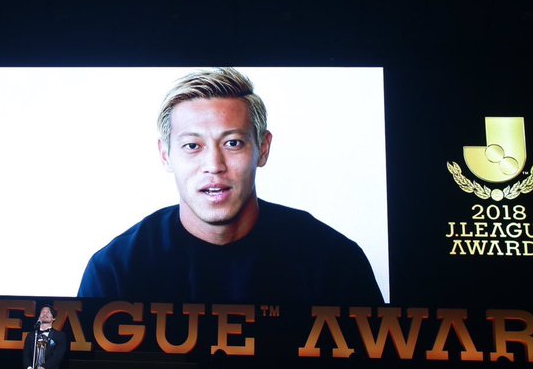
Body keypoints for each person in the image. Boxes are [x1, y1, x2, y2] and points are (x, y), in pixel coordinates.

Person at [77, 67, 384, 305]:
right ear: (165, 155)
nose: (214, 165)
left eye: (233, 143)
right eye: (192, 146)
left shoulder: (333, 262)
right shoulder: (116, 270)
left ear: (263, 149)